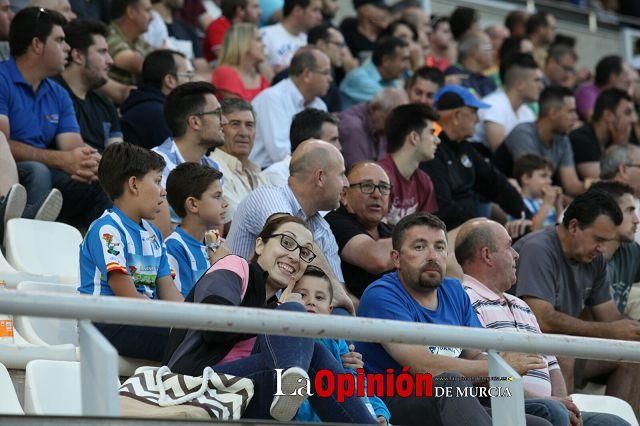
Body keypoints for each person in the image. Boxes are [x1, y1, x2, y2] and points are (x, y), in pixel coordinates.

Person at [163, 215, 376, 422]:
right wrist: (283, 316)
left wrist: (339, 359)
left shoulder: (275, 304)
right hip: (196, 382)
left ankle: (291, 387)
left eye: (304, 253)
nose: (295, 256)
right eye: (287, 242)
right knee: (295, 320)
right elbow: (215, 329)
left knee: (314, 350)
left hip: (242, 389)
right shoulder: (235, 267)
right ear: (259, 245)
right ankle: (290, 386)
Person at [356, 212, 552, 426]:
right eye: (420, 247)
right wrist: (500, 367)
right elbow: (423, 367)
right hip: (390, 403)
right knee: (452, 382)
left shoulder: (454, 291)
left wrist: (507, 372)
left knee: (546, 417)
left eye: (439, 247)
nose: (432, 256)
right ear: (396, 258)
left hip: (455, 398)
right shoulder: (382, 295)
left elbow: (475, 354)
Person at [457, 218, 631, 426]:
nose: (516, 254)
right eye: (509, 246)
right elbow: (485, 376)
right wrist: (549, 402)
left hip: (549, 405)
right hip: (504, 404)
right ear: (486, 255)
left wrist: (565, 403)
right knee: (555, 412)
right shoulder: (463, 300)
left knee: (614, 423)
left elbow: (551, 364)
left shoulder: (521, 304)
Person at [513, 190, 640, 412]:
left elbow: (610, 317)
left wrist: (632, 331)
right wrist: (610, 331)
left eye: (606, 241)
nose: (602, 249)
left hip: (559, 348)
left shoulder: (594, 257)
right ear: (573, 227)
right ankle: (570, 419)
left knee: (633, 356)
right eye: (598, 239)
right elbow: (542, 320)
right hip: (518, 351)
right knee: (563, 353)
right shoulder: (539, 249)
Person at [2, 7, 111, 228]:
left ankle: (97, 256)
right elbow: (0, 144)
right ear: (37, 45)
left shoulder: (58, 92)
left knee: (97, 184)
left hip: (46, 172)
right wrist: (60, 159)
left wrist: (87, 162)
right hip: (12, 171)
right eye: (60, 40)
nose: (68, 48)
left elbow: (73, 146)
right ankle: (22, 247)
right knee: (38, 172)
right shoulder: (2, 80)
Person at [78, 142, 183, 361]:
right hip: (106, 326)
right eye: (156, 181)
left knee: (198, 336)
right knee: (187, 341)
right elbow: (127, 295)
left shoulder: (154, 234)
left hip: (141, 320)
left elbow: (170, 293)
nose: (163, 192)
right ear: (134, 184)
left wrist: (199, 320)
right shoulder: (107, 229)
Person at [227, 139, 348, 282]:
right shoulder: (268, 197)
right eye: (342, 174)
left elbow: (335, 293)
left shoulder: (323, 229)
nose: (346, 183)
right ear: (320, 177)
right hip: (235, 301)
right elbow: (292, 237)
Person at [421, 85, 531, 233]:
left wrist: (525, 215)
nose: (478, 119)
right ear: (457, 116)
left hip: (470, 226)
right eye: (474, 112)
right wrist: (481, 228)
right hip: (447, 234)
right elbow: (443, 208)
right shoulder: (431, 150)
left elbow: (495, 183)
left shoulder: (463, 146)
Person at [291, 266, 391, 424]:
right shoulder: (288, 342)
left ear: (330, 309)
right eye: (303, 295)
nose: (311, 302)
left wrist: (380, 413)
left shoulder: (337, 341)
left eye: (319, 298)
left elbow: (360, 384)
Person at [152, 81, 224, 235]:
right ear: (195, 122)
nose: (224, 121)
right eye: (217, 113)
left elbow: (215, 229)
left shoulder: (214, 168)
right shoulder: (155, 166)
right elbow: (159, 236)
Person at [492, 86, 584, 196]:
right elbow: (534, 185)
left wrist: (594, 185)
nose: (575, 117)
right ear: (553, 113)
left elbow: (571, 185)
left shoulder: (562, 138)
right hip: (503, 202)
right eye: (570, 111)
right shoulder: (523, 134)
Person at [250, 47, 331, 169]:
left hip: (302, 171)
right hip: (266, 172)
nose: (330, 79)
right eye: (325, 73)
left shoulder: (319, 105)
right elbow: (280, 154)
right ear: (307, 74)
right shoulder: (272, 99)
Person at [325, 161, 393, 299]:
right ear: (344, 195)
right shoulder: (334, 222)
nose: (377, 194)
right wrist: (418, 239)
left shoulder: (390, 231)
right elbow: (376, 258)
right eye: (367, 186)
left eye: (384, 187)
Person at [57, 19, 123, 153]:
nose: (110, 61)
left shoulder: (105, 103)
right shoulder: (51, 95)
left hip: (102, 171)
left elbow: (117, 156)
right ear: (78, 56)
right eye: (102, 52)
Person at [165, 162, 228, 298]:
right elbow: (186, 307)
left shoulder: (217, 244)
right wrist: (219, 267)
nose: (225, 203)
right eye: (217, 196)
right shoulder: (174, 248)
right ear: (193, 204)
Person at [210, 98, 269, 227]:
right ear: (220, 128)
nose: (244, 133)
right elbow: (232, 220)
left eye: (249, 125)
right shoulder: (212, 167)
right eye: (235, 124)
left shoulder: (258, 172)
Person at [377, 103, 439, 226]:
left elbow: (427, 229)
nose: (437, 140)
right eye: (432, 133)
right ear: (414, 137)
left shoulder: (424, 181)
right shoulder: (379, 176)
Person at [120, 49, 194, 149]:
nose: (191, 81)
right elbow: (176, 160)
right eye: (188, 75)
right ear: (170, 80)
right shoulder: (159, 114)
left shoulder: (151, 107)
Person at [476, 52, 543, 152]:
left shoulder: (527, 112)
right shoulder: (494, 106)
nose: (541, 86)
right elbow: (501, 156)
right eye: (536, 80)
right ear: (519, 84)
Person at [261, 107, 340, 187]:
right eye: (333, 140)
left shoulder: (329, 176)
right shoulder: (275, 175)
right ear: (311, 145)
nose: (339, 147)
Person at [569, 88, 636, 180]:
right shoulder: (581, 140)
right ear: (608, 116)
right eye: (627, 113)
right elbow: (606, 179)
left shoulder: (614, 136)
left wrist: (620, 142)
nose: (633, 119)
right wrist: (619, 145)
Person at [338, 87, 407, 168]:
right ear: (374, 108)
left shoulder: (380, 127)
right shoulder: (353, 128)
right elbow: (358, 172)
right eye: (393, 119)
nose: (396, 125)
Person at [339, 36, 409, 109]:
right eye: (404, 60)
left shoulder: (391, 79)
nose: (407, 66)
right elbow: (398, 106)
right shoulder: (359, 78)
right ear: (386, 60)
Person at [211, 23, 270, 101]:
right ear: (243, 43)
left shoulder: (261, 79)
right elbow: (238, 111)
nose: (264, 45)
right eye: (258, 40)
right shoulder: (225, 73)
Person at [260, 0, 322, 71]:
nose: (319, 17)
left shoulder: (307, 42)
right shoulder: (265, 35)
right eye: (315, 10)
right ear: (297, 10)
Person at [107, 0, 154, 85]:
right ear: (131, 12)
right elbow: (140, 65)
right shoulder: (108, 34)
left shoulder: (139, 40)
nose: (152, 17)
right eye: (147, 11)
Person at [512, 155, 563, 231]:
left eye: (550, 177)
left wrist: (558, 205)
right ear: (526, 179)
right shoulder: (517, 203)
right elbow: (532, 230)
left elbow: (562, 229)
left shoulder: (545, 202)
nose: (549, 181)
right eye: (543, 176)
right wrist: (547, 204)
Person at [575, 55, 633, 122]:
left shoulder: (616, 96)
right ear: (613, 77)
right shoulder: (587, 92)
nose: (629, 79)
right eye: (626, 74)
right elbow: (595, 120)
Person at [444, 31, 496, 98]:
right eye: (488, 48)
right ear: (474, 52)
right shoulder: (454, 74)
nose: (493, 52)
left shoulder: (488, 80)